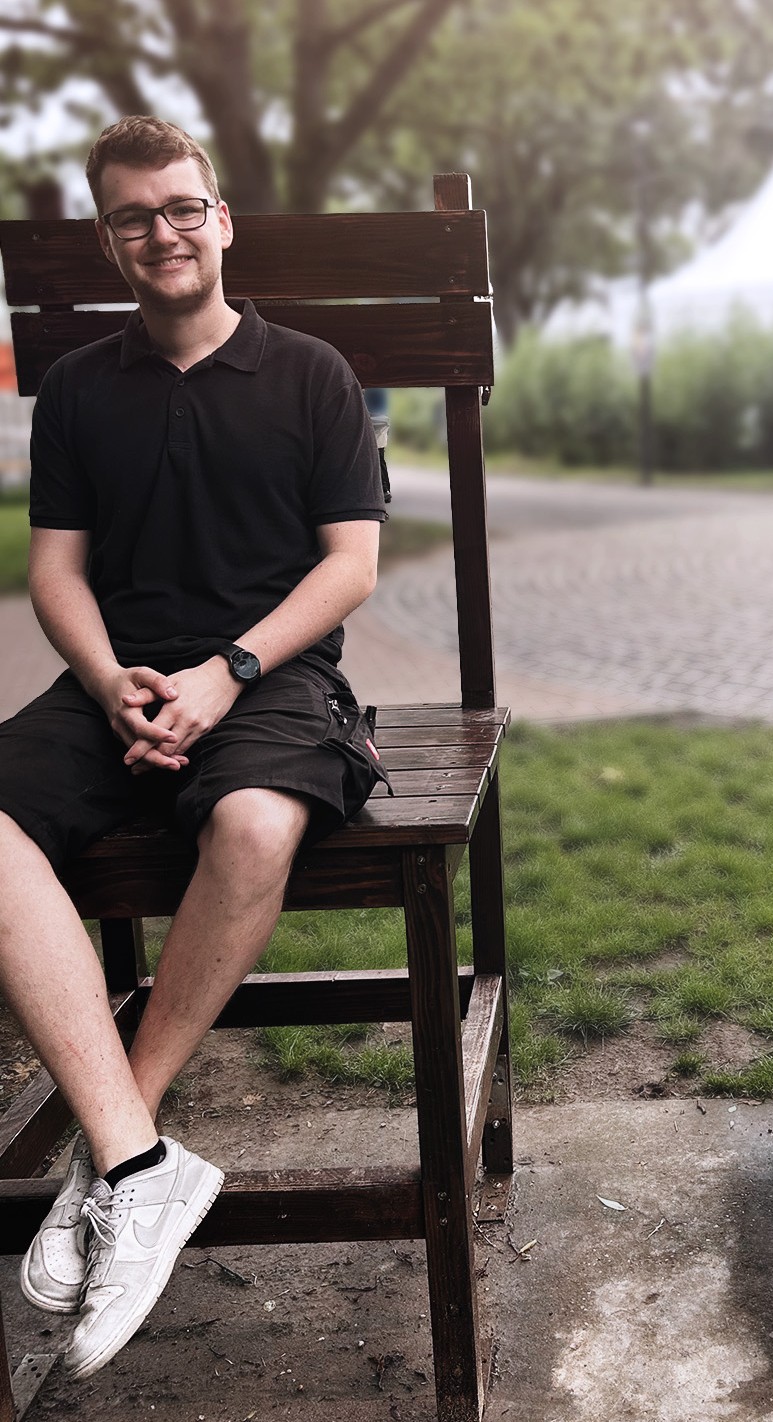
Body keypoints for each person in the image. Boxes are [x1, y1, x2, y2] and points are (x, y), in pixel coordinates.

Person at [0, 116, 387, 1376]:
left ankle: (121, 1140)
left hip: (269, 676)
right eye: (132, 216)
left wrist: (229, 673)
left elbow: (350, 565)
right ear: (108, 241)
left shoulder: (311, 374)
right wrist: (107, 679)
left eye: (180, 207)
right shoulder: (79, 390)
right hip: (117, 683)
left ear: (219, 220)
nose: (159, 232)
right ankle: (136, 1163)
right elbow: (56, 570)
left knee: (255, 821)